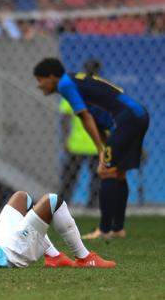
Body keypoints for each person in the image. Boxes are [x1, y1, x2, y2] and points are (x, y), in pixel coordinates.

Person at [33, 58, 149, 240]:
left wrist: (100, 150)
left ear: (52, 77)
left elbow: (85, 117)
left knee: (106, 172)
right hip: (138, 115)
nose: (38, 85)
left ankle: (104, 230)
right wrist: (106, 144)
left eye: (40, 79)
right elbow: (98, 118)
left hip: (126, 120)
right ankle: (117, 229)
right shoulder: (76, 82)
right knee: (118, 173)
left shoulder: (65, 84)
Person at [59, 59, 103, 207]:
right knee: (97, 178)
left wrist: (65, 139)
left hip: (77, 143)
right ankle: (92, 206)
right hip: (96, 143)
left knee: (69, 178)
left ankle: (62, 205)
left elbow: (65, 118)